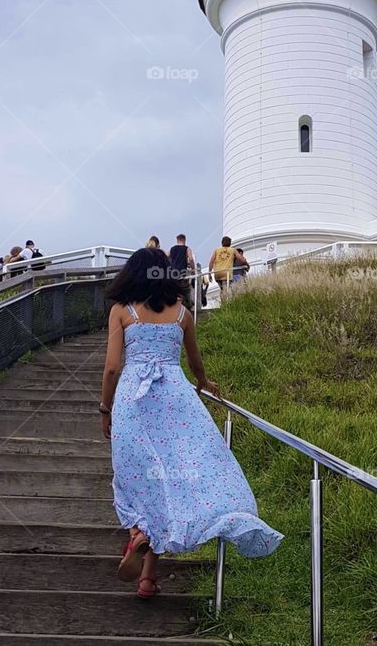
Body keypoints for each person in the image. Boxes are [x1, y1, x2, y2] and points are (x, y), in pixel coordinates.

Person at [99, 248, 282, 598]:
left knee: (133, 474)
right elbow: (195, 362)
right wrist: (204, 383)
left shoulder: (121, 311)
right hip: (175, 398)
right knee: (172, 476)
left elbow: (110, 368)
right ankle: (148, 577)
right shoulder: (182, 313)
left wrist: (104, 408)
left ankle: (137, 532)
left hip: (133, 401)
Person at [168, 233, 195, 307]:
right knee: (186, 290)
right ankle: (188, 304)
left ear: (177, 240)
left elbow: (168, 259)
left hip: (172, 274)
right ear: (184, 240)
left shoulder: (172, 249)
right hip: (182, 273)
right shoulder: (187, 248)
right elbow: (191, 259)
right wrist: (193, 269)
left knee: (174, 291)